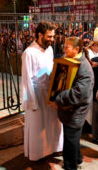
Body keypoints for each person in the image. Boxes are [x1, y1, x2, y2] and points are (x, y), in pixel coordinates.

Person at [21, 21, 63, 161]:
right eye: (49, 36)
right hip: (37, 94)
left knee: (53, 123)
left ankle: (54, 148)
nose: (52, 39)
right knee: (38, 126)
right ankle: (38, 154)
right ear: (40, 35)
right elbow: (27, 79)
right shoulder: (29, 53)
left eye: (53, 36)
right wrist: (31, 102)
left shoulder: (50, 49)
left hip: (50, 92)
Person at [50, 37, 94, 170]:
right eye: (64, 46)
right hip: (68, 108)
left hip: (76, 110)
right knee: (72, 137)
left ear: (77, 49)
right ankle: (78, 158)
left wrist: (58, 98)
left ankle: (70, 166)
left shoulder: (84, 68)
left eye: (67, 47)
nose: (64, 49)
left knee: (70, 139)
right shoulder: (69, 59)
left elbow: (79, 93)